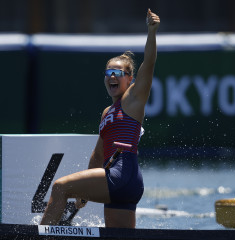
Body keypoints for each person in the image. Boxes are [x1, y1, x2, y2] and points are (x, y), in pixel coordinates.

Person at [40, 9, 160, 228]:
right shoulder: (107, 112)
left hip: (123, 174)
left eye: (118, 73)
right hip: (124, 184)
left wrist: (151, 32)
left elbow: (149, 64)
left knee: (59, 187)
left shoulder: (133, 99)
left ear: (129, 79)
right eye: (108, 73)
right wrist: (84, 193)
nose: (112, 77)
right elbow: (98, 156)